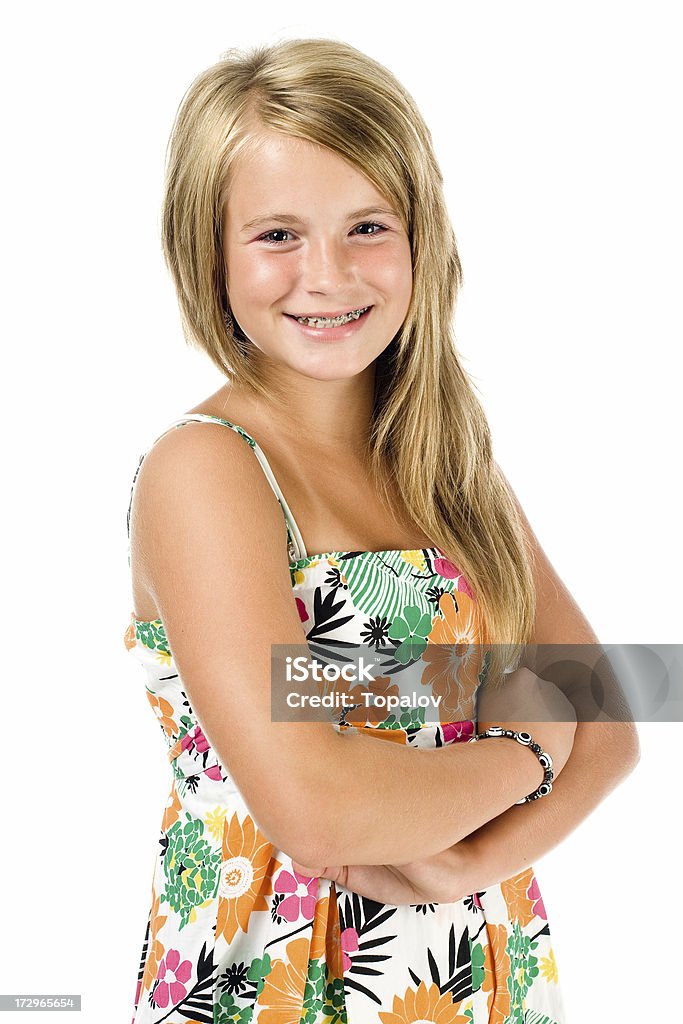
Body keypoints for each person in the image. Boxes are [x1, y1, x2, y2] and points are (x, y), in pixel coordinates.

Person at [123, 37, 640, 1024]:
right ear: (209, 250)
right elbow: (315, 806)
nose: (326, 274)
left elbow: (608, 716)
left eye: (366, 225)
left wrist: (470, 864)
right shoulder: (207, 468)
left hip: (474, 971)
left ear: (419, 238)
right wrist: (525, 748)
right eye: (276, 235)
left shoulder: (443, 460)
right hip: (276, 983)